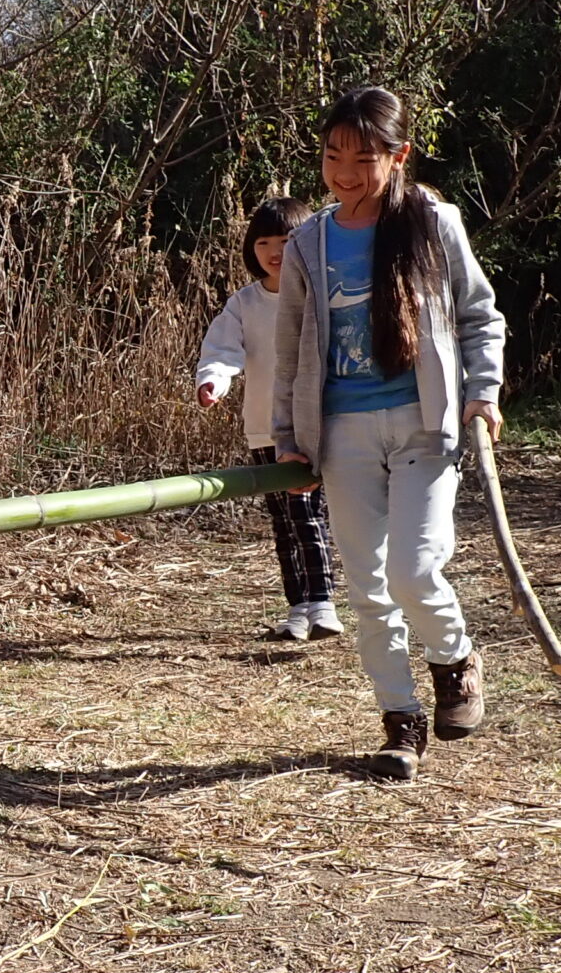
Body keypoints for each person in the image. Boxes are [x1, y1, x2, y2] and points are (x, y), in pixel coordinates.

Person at [271, 86, 507, 781]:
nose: (344, 172)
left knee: (413, 568)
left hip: (424, 422)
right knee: (369, 589)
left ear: (398, 156)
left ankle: (455, 660)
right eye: (332, 155)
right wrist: (288, 434)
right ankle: (400, 721)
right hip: (342, 429)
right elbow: (290, 347)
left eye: (364, 157)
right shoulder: (309, 241)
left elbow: (479, 314)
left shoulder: (432, 221)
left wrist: (483, 392)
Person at [195, 197, 343, 643]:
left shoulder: (323, 294)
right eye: (263, 242)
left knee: (308, 515)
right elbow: (223, 349)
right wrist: (213, 381)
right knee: (283, 520)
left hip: (312, 427)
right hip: (263, 427)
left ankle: (322, 602)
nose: (274, 251)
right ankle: (298, 608)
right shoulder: (244, 302)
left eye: (285, 240)